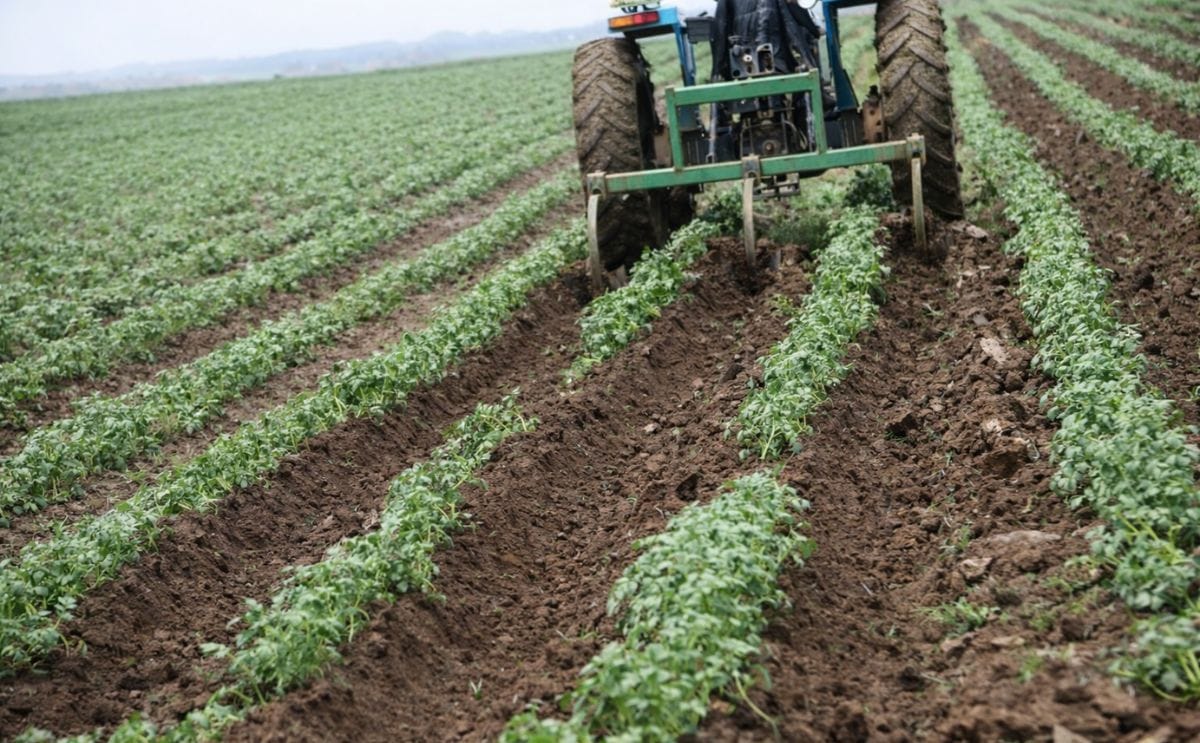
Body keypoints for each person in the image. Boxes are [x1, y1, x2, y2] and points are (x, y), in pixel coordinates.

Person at [711, 0, 823, 81]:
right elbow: (790, 24)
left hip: (744, 59)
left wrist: (717, 71)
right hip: (775, 57)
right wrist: (808, 60)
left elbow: (720, 29)